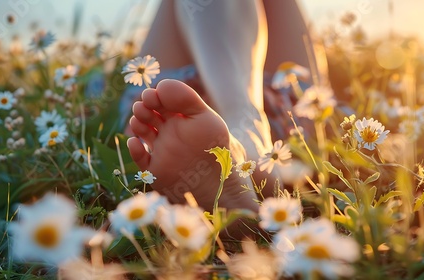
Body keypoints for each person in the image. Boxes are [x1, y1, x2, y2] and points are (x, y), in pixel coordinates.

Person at [124, 0, 320, 218]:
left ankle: (244, 130)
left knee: (156, 93)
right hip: (291, 106)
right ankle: (247, 127)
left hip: (166, 108)